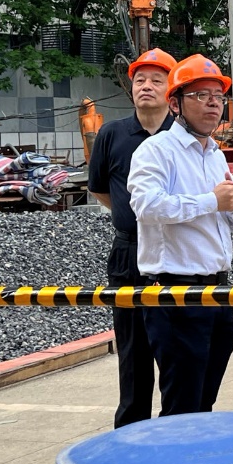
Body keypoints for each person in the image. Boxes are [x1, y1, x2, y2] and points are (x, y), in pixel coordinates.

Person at [128, 54, 233, 417]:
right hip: (175, 291)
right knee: (182, 402)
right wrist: (211, 200)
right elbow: (147, 206)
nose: (213, 103)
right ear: (176, 104)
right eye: (200, 95)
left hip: (218, 291)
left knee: (205, 399)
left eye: (218, 96)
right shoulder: (156, 151)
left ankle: (199, 454)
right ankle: (174, 456)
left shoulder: (214, 154)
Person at [88, 48, 176, 428]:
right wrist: (133, 216)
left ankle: (175, 430)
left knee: (175, 351)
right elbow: (101, 190)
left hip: (175, 254)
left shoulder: (183, 136)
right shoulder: (112, 134)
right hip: (129, 253)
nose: (146, 86)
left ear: (172, 89)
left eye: (157, 80)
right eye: (140, 80)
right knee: (133, 352)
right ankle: (131, 434)